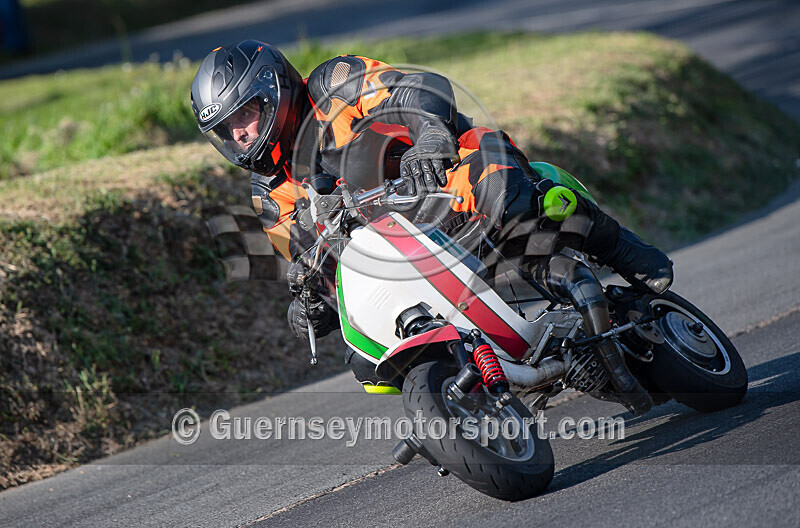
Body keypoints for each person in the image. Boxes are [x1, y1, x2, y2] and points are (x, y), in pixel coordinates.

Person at [191, 40, 673, 414]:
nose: (240, 134)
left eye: (245, 114)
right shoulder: (269, 193)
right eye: (227, 129)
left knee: (503, 197)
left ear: (274, 90)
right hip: (401, 250)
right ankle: (465, 390)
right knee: (364, 358)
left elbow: (417, 87)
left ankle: (616, 245)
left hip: (447, 181)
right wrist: (311, 303)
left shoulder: (334, 82)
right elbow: (314, 259)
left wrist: (430, 135)